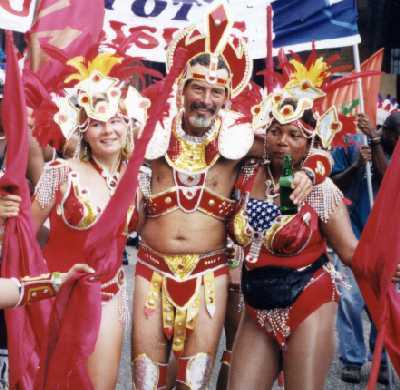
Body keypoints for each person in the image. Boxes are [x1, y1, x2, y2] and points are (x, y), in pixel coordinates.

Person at [131, 5, 328, 389]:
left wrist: (307, 171)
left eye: (216, 91)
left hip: (210, 272)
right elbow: (87, 146)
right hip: (150, 269)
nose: (206, 99)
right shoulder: (151, 134)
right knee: (145, 377)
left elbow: (303, 148)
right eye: (198, 88)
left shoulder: (238, 140)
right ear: (182, 88)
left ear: (226, 95)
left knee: (194, 378)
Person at [227, 90, 400, 389]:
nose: (283, 141)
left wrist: (383, 263)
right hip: (257, 305)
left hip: (309, 299)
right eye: (276, 131)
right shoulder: (245, 173)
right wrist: (317, 162)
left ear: (309, 142)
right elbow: (225, 138)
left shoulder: (320, 190)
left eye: (295, 134)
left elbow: (350, 251)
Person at [25, 48, 150, 389]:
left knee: (100, 385)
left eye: (115, 121)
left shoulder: (138, 180)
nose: (107, 131)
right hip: (59, 295)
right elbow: (26, 232)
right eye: (96, 124)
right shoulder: (60, 173)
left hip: (109, 294)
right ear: (82, 129)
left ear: (128, 123)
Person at [332, 110, 400, 384]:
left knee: (382, 298)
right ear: (388, 131)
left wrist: (373, 141)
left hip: (388, 239)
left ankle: (381, 358)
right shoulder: (349, 143)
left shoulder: (386, 148)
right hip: (353, 234)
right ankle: (352, 358)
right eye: (393, 134)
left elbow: (389, 182)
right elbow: (335, 184)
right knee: (350, 299)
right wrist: (358, 165)